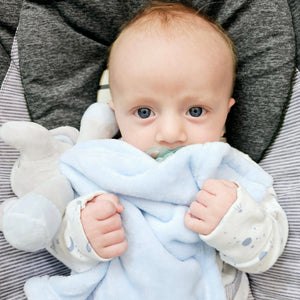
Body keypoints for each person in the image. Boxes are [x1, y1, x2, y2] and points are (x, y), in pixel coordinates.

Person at [25, 2, 288, 300]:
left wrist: (234, 221)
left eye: (196, 110)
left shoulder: (230, 170)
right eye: (144, 112)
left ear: (226, 112)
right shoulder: (101, 165)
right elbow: (57, 242)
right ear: (117, 113)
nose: (171, 134)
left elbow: (268, 251)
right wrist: (84, 235)